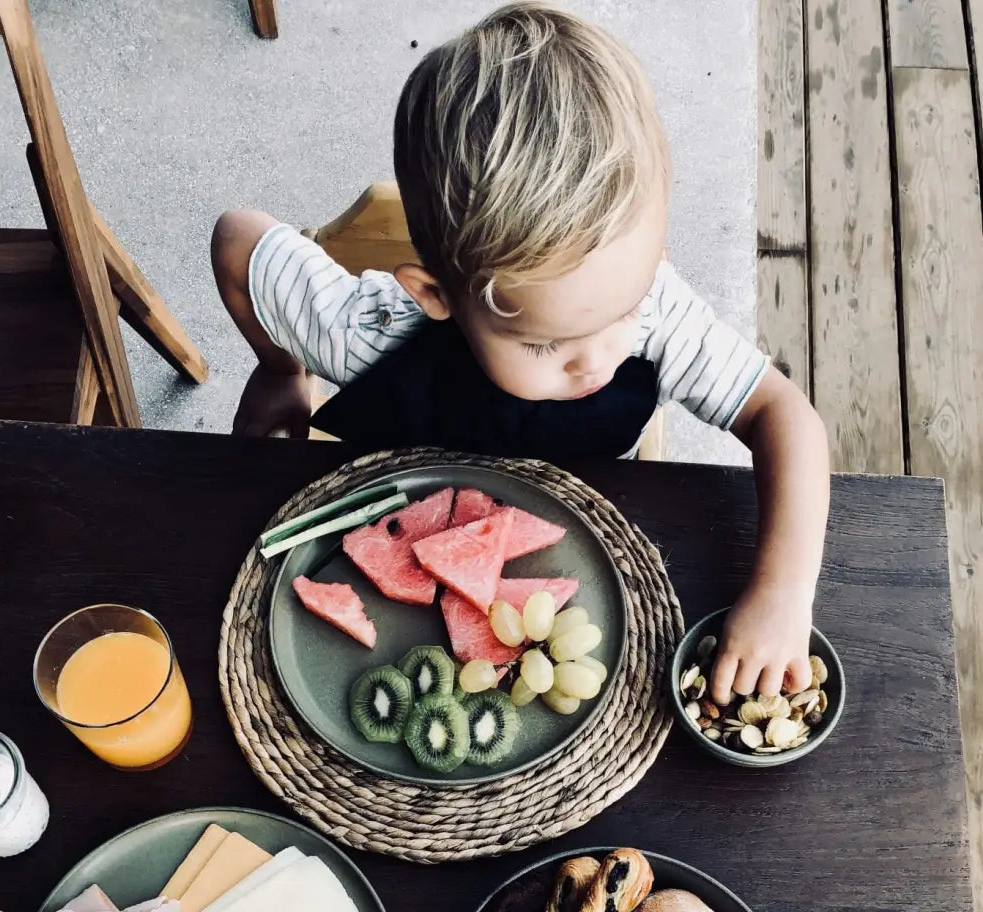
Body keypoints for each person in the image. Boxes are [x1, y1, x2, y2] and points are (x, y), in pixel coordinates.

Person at [211, 2, 829, 703]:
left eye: (620, 310)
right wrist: (281, 369)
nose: (595, 362)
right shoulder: (367, 335)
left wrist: (781, 595)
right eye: (544, 342)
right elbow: (238, 240)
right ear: (434, 294)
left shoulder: (660, 317)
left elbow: (784, 415)